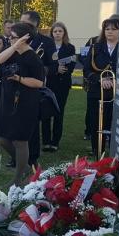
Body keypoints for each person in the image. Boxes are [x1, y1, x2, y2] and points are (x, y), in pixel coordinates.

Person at [0, 22, 46, 186]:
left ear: (24, 38)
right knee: (2, 139)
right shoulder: (12, 51)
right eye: (10, 37)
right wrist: (14, 46)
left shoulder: (33, 58)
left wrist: (20, 79)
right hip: (8, 101)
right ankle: (28, 168)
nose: (10, 39)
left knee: (20, 140)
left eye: (13, 37)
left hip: (25, 102)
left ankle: (18, 179)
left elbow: (39, 82)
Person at [17, 10, 57, 167]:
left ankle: (32, 157)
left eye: (25, 23)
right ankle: (17, 155)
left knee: (32, 125)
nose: (21, 25)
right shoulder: (16, 38)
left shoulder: (46, 42)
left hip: (34, 89)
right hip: (16, 86)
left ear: (34, 25)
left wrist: (39, 68)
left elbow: (54, 66)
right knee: (16, 122)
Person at [85, 18, 119, 157]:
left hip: (118, 92)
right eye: (107, 29)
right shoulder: (96, 47)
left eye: (114, 29)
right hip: (97, 92)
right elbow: (86, 69)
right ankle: (98, 150)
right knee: (96, 122)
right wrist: (100, 79)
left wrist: (115, 81)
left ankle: (115, 151)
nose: (109, 32)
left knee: (114, 122)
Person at [43, 22, 76, 152]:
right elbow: (43, 65)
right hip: (49, 83)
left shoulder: (70, 48)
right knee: (46, 112)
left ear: (64, 33)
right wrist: (55, 70)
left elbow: (72, 65)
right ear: (52, 33)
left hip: (63, 84)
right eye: (55, 31)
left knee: (59, 112)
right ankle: (46, 141)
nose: (57, 33)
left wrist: (64, 70)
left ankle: (55, 142)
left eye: (60, 31)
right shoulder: (46, 47)